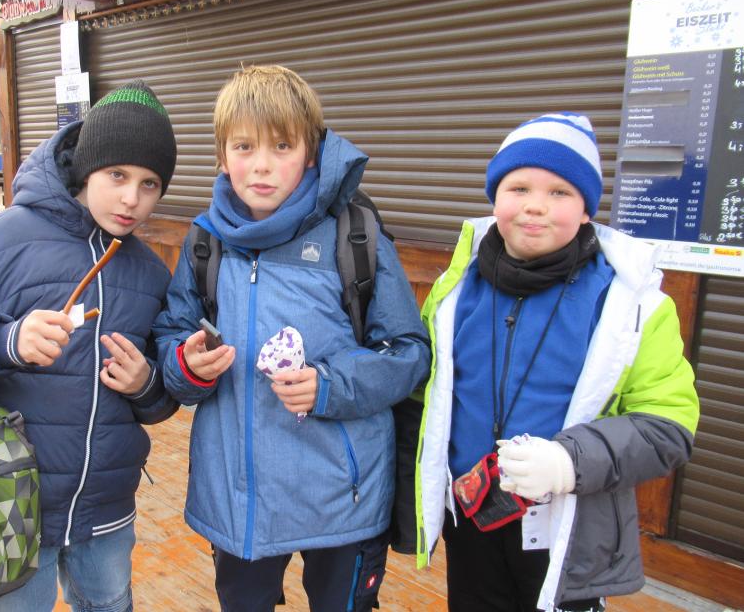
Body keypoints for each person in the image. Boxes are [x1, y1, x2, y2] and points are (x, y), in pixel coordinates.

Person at [152, 65, 431, 612]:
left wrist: (329, 385)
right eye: (244, 146)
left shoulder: (354, 235)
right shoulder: (205, 241)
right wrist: (186, 364)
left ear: (310, 151)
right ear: (222, 155)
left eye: (281, 145)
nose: (261, 164)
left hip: (341, 497)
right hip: (241, 498)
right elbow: (172, 337)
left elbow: (408, 352)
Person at [0, 79, 180, 612]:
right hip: (2, 507)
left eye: (150, 184)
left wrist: (147, 384)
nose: (131, 198)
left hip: (105, 513)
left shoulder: (148, 272)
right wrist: (6, 341)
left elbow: (159, 402)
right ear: (85, 167)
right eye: (117, 175)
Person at [412, 112, 700, 612]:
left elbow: (668, 427)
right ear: (494, 198)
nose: (535, 208)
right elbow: (425, 395)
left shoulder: (631, 305)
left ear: (587, 209)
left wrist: (570, 461)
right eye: (518, 188)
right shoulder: (455, 289)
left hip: (567, 528)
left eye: (560, 193)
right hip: (471, 516)